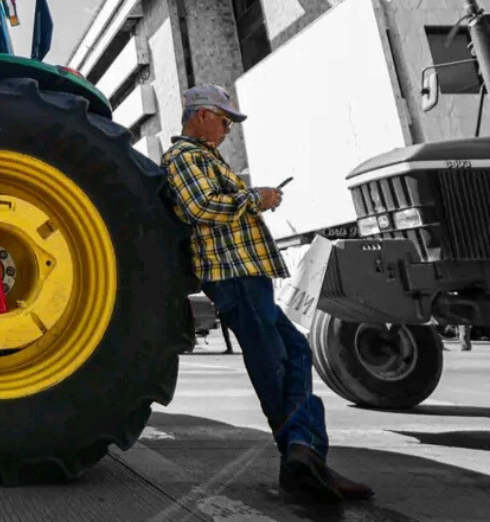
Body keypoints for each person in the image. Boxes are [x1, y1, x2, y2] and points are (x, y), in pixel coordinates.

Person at [160, 84, 374, 504]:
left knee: (292, 353)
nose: (226, 129)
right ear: (200, 115)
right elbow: (199, 207)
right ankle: (302, 458)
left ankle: (304, 455)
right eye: (223, 120)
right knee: (276, 364)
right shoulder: (183, 157)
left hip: (246, 275)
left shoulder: (204, 158)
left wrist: (250, 199)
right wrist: (254, 198)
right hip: (234, 275)